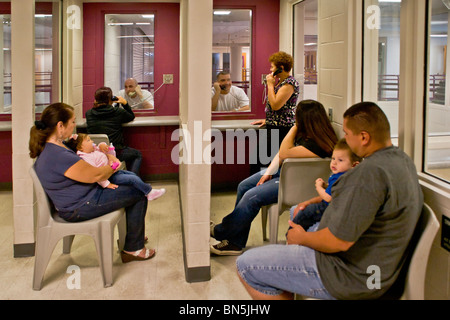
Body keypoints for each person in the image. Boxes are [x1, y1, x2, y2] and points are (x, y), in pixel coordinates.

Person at [236, 102, 424, 300]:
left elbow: (339, 241)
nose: (344, 139)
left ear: (364, 137)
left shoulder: (369, 174)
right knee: (300, 221)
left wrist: (301, 238)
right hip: (371, 265)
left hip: (350, 275)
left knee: (246, 265)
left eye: (347, 134)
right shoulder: (402, 161)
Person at [29, 103, 155, 262]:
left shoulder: (54, 147)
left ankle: (131, 238)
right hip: (80, 206)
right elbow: (97, 175)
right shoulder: (58, 155)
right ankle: (133, 248)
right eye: (73, 122)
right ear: (60, 126)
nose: (75, 126)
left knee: (130, 184)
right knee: (139, 193)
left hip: (77, 200)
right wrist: (113, 163)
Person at [210, 100, 338, 256]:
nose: (294, 119)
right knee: (244, 186)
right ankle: (234, 238)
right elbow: (281, 155)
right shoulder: (308, 135)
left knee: (251, 196)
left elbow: (284, 153)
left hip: (294, 184)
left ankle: (224, 233)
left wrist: (294, 127)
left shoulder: (317, 146)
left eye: (297, 117)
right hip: (282, 174)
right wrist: (268, 171)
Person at [65, 133, 165, 201]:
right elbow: (96, 174)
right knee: (132, 178)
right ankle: (149, 192)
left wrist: (102, 145)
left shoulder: (92, 150)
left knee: (132, 174)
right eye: (88, 140)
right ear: (80, 148)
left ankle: (144, 188)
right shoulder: (86, 158)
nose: (91, 142)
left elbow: (101, 148)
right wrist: (106, 184)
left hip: (112, 172)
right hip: (108, 177)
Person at [289, 139, 361, 232]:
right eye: (333, 158)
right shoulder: (350, 177)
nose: (334, 163)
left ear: (354, 165)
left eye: (340, 160)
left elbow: (328, 198)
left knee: (306, 213)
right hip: (335, 208)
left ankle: (292, 232)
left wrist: (318, 187)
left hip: (328, 208)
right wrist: (326, 186)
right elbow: (336, 191)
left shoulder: (340, 178)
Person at [86, 86, 142, 175]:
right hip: (116, 151)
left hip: (96, 152)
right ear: (110, 99)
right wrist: (125, 103)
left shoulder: (88, 113)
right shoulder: (117, 112)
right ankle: (133, 178)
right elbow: (131, 116)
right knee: (137, 155)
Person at [251, 51, 300, 148]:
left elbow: (276, 105)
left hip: (281, 128)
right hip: (274, 125)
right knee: (261, 159)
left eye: (272, 67)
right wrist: (269, 119)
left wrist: (270, 85)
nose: (270, 70)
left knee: (261, 160)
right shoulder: (280, 82)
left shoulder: (289, 83)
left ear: (280, 68)